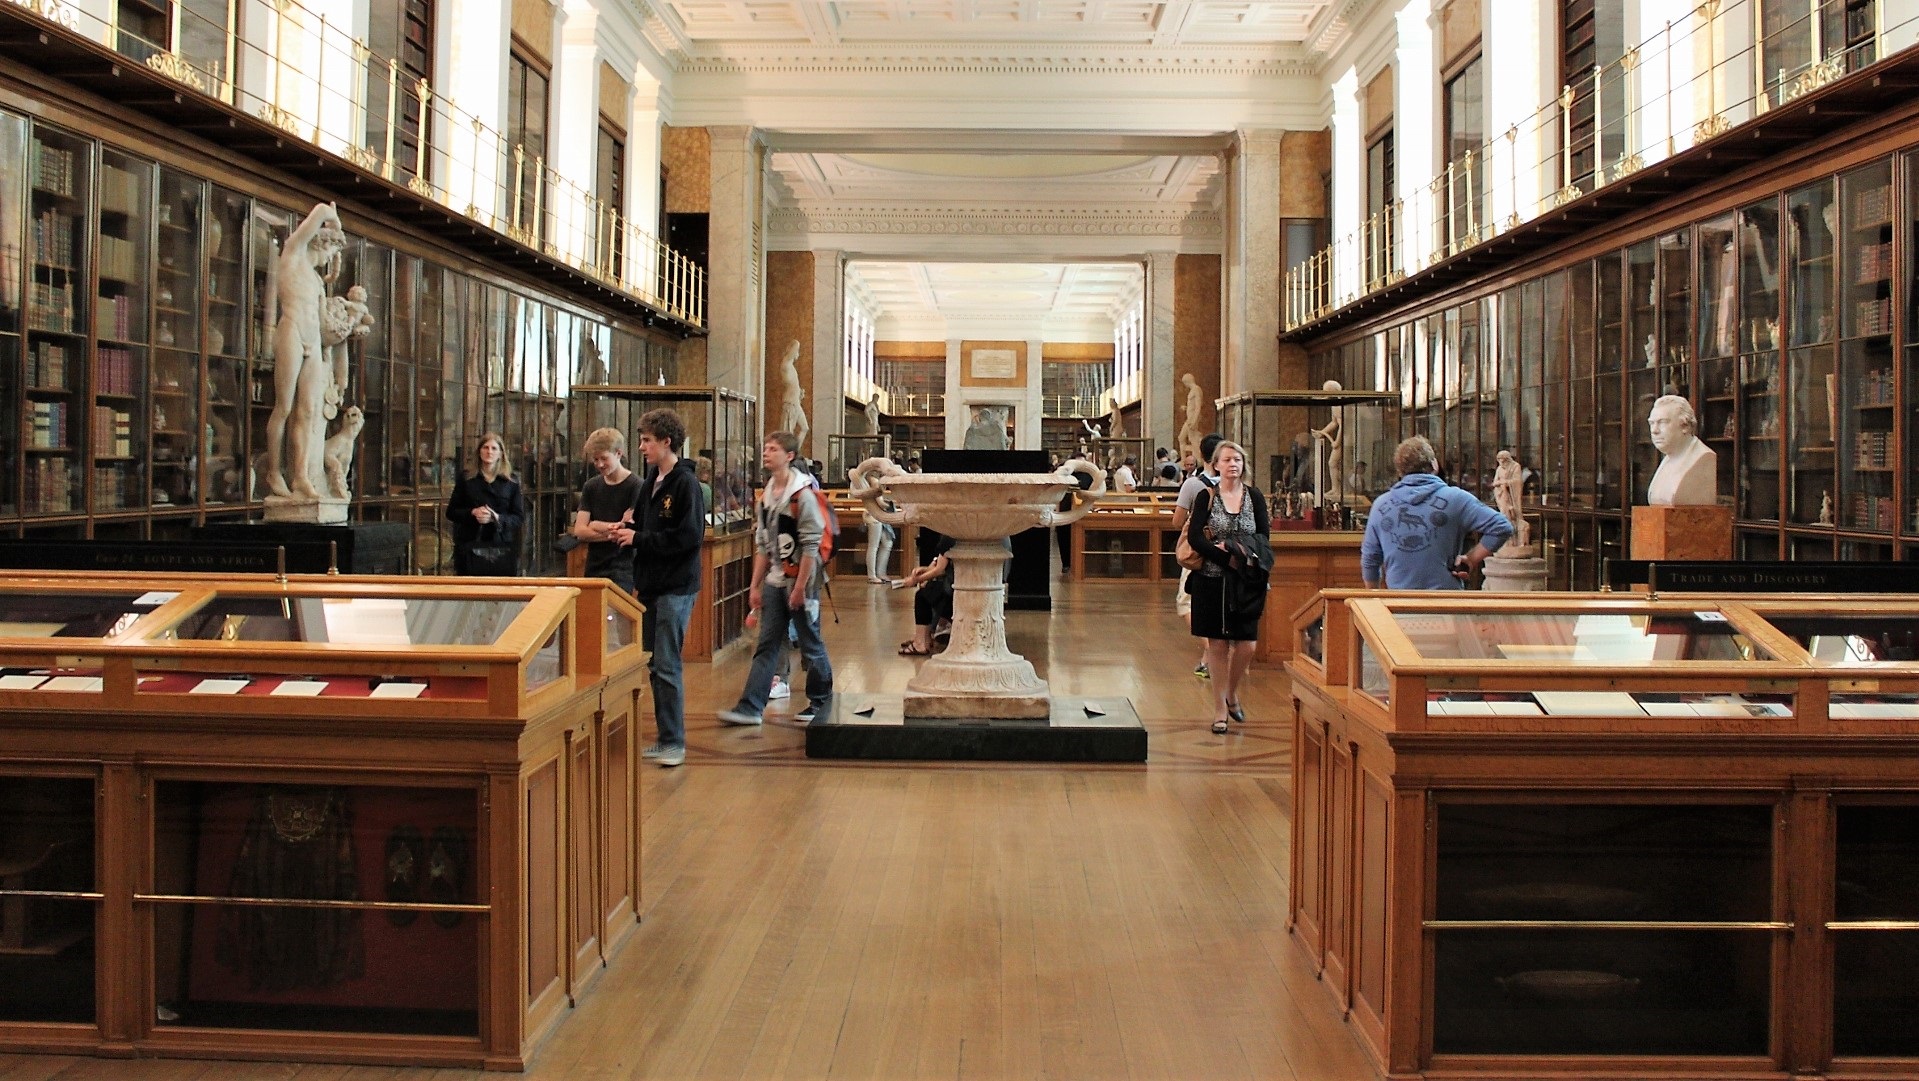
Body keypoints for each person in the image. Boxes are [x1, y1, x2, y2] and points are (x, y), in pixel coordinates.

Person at [717, 432, 835, 727]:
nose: (766, 453)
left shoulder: (802, 495)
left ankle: (821, 703)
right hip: (775, 581)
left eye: (773, 449)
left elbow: (810, 546)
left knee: (810, 643)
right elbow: (763, 545)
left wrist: (800, 589)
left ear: (789, 456)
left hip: (800, 582)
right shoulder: (767, 494)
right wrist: (755, 585)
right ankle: (750, 707)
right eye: (766, 449)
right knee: (767, 644)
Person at [613, 409, 704, 769]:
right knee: (654, 662)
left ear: (667, 442)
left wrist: (639, 538)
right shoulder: (652, 479)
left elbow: (689, 537)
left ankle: (674, 742)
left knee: (666, 664)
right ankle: (666, 737)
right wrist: (627, 529)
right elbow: (642, 522)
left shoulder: (685, 484)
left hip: (675, 587)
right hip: (651, 583)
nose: (641, 447)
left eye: (647, 440)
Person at [1186, 440, 1270, 735]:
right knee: (1218, 645)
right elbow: (1195, 538)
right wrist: (1225, 557)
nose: (1233, 464)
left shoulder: (1254, 497)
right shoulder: (1206, 496)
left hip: (1246, 580)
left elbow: (1263, 536)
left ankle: (1232, 693)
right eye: (1227, 460)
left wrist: (1239, 553)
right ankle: (1220, 709)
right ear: (1216, 465)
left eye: (1237, 459)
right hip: (1212, 579)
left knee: (1247, 645)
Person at [264, 202, 347, 500]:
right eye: (330, 252)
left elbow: (323, 322)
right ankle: (274, 472)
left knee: (308, 411)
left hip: (313, 342)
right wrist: (333, 219)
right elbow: (321, 211)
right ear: (320, 244)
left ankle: (300, 477)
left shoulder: (315, 280)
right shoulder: (293, 254)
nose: (328, 259)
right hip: (292, 332)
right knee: (284, 407)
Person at [1361, 435, 1514, 590]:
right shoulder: (1456, 499)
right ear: (1434, 464)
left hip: (1399, 599)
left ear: (1400, 471)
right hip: (1445, 598)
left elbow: (1370, 558)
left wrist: (1374, 596)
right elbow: (1501, 526)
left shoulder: (1380, 505)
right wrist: (1471, 558)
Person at [1173, 433, 1224, 678]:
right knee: (1215, 605)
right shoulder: (1235, 483)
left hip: (1198, 552)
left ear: (1201, 455)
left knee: (1186, 603)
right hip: (1225, 551)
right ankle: (1207, 660)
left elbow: (1177, 521)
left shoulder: (1193, 485)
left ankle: (1215, 653)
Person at [572, 427, 642, 593]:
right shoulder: (591, 486)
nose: (599, 464)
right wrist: (614, 529)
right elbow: (580, 531)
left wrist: (596, 524)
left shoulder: (637, 485)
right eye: (595, 460)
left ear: (618, 453)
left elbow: (630, 531)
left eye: (604, 458)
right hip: (593, 567)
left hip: (623, 568)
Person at [444, 432, 525, 575]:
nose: (489, 452)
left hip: (501, 547)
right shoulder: (466, 478)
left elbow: (518, 517)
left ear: (501, 454)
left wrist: (497, 518)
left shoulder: (511, 481)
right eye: (485, 447)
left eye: (494, 448)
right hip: (470, 545)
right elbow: (451, 512)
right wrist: (472, 512)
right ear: (479, 451)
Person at [1646, 394, 1718, 505]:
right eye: (1651, 423)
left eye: (1663, 422)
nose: (1654, 430)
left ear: (1685, 426)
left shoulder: (1702, 457)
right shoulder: (1669, 457)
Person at [895, 531, 957, 656]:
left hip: (952, 597)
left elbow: (939, 569)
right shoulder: (959, 534)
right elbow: (940, 565)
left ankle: (920, 643)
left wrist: (915, 580)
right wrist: (924, 571)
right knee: (928, 591)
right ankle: (926, 638)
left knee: (922, 595)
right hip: (960, 590)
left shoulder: (949, 536)